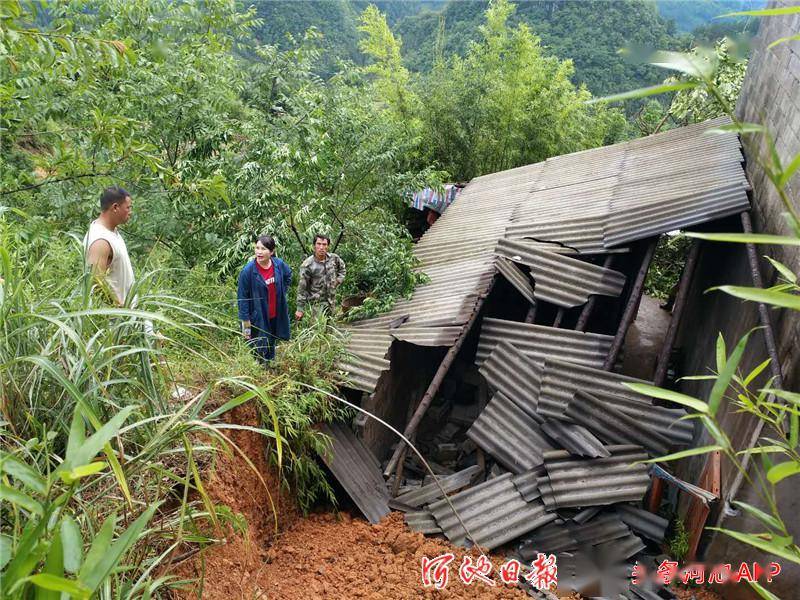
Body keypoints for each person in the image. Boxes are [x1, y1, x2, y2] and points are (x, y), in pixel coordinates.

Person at [237, 235, 292, 363]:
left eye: (263, 249)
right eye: (257, 248)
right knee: (259, 345)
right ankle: (260, 371)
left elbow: (288, 275)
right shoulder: (248, 271)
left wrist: (282, 292)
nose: (259, 252)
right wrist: (245, 323)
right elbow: (242, 298)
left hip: (274, 314)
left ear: (271, 252)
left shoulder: (278, 264)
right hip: (257, 316)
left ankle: (270, 367)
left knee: (271, 341)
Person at [85, 186, 134, 305]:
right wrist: (120, 311)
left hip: (129, 317)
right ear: (115, 207)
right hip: (115, 320)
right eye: (128, 208)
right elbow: (96, 283)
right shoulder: (100, 240)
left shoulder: (112, 232)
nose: (130, 212)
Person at [295, 234, 346, 320]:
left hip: (331, 302)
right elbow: (302, 288)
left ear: (328, 246)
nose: (321, 247)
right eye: (318, 244)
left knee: (331, 329)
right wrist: (300, 308)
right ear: (314, 246)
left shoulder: (333, 258)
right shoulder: (307, 265)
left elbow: (342, 269)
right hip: (316, 305)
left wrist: (337, 282)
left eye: (324, 244)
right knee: (318, 330)